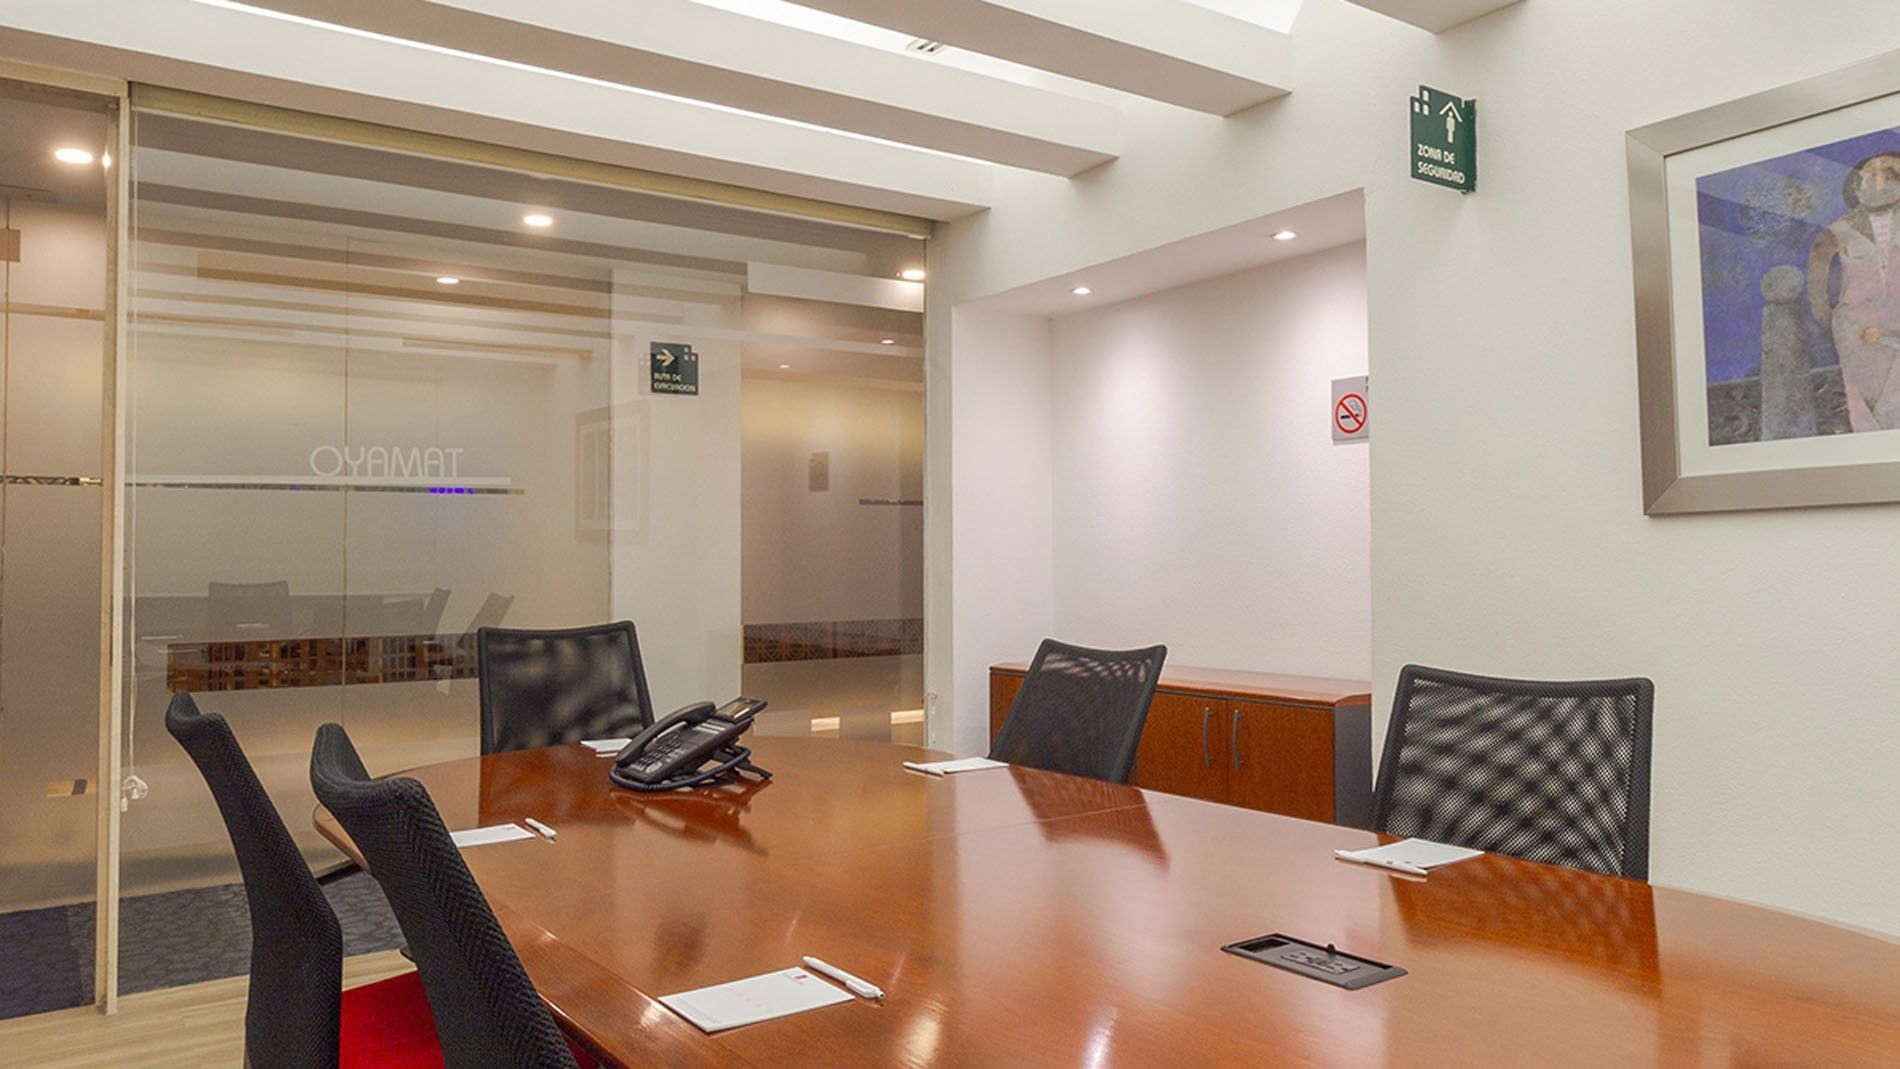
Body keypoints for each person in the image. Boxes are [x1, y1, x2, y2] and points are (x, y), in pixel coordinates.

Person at [1808, 151, 1900, 432]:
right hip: (1858, 329)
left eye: (1891, 175)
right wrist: (1828, 316)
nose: (1880, 184)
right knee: (1864, 402)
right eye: (1872, 176)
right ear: (1856, 186)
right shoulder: (1839, 230)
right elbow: (1817, 275)